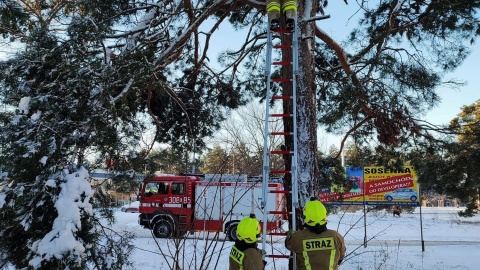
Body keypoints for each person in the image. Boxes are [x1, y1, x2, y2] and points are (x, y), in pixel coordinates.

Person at [286, 198, 346, 270]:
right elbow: (341, 257)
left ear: (306, 217)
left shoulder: (297, 237)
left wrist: (292, 234)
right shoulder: (336, 236)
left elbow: (288, 244)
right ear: (324, 215)